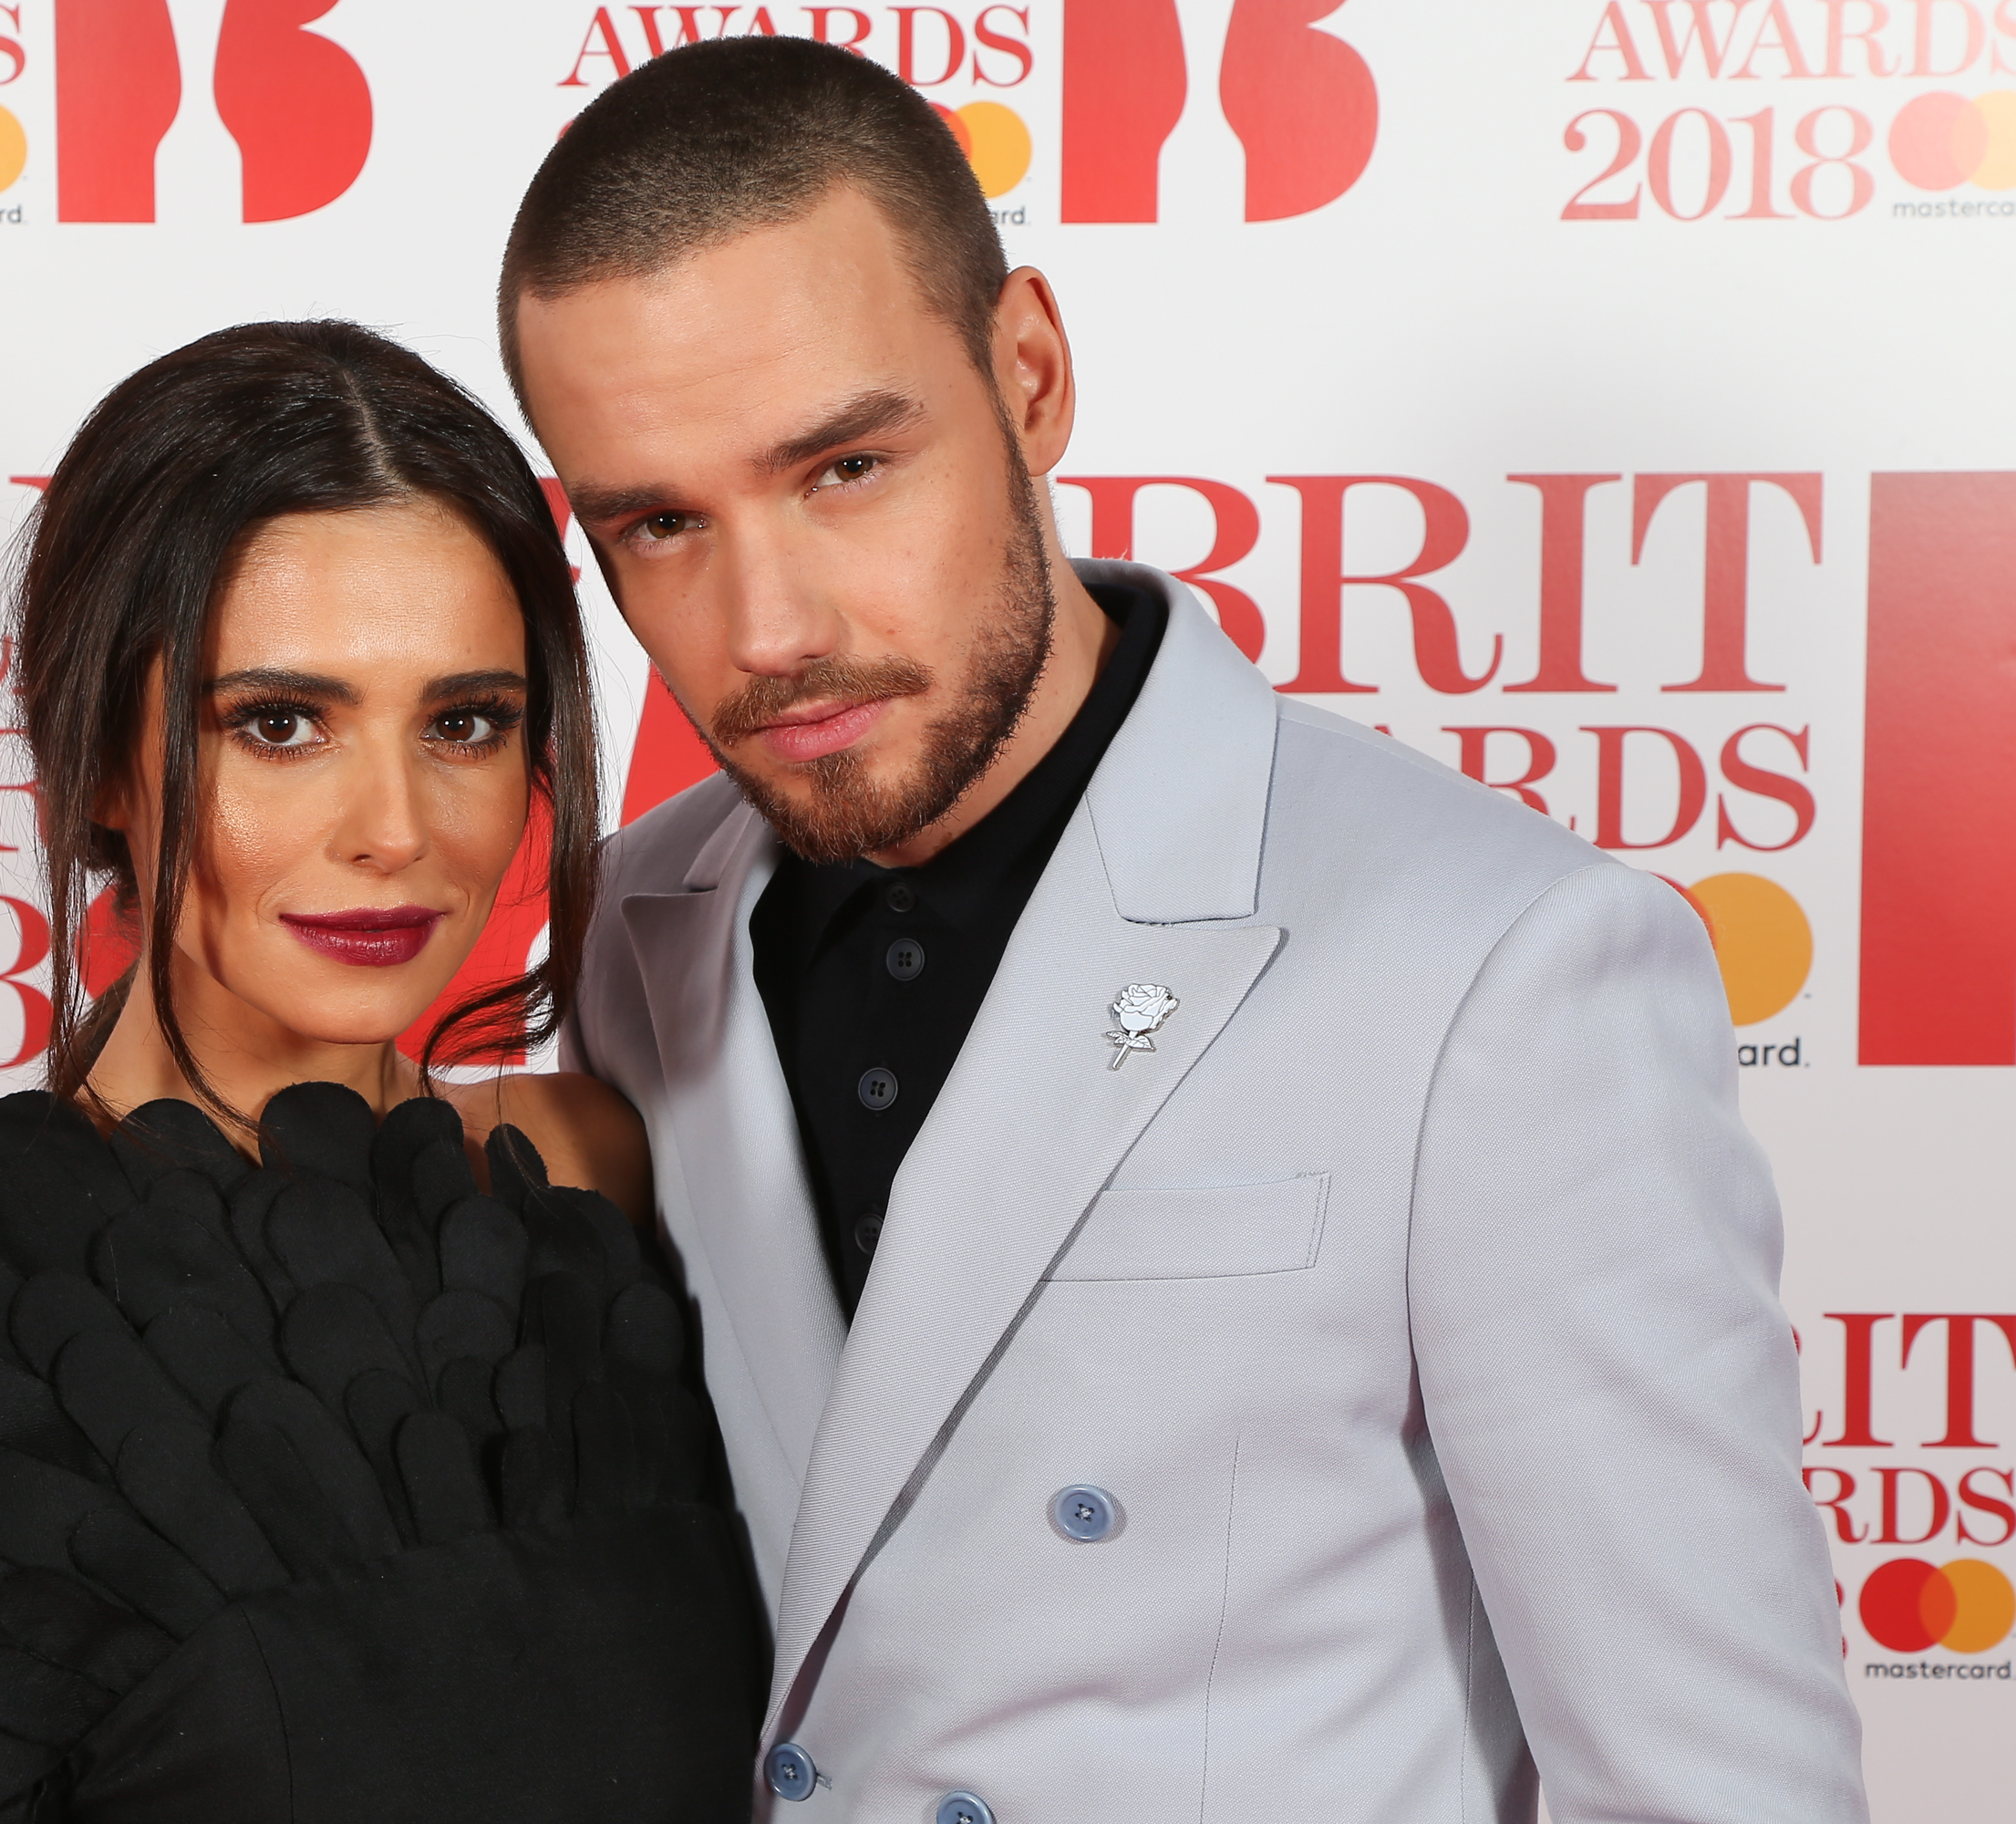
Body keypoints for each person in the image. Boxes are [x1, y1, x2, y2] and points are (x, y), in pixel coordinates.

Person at [501, 38, 1864, 1824]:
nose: (767, 628)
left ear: (1032, 375)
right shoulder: (632, 936)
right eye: (659, 523)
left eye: (843, 468)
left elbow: (1716, 1792)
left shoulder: (1495, 964)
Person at [0, 321, 766, 1823]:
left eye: (464, 722)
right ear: (99, 752)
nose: (396, 827)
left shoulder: (617, 1178)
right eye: (282, 723)